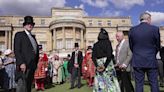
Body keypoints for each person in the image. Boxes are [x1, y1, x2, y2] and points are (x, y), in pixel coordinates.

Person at [129, 12, 160, 92]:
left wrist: (137, 53)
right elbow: (158, 45)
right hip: (151, 60)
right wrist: (152, 53)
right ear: (148, 19)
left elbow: (131, 46)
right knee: (154, 83)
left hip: (138, 60)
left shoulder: (132, 30)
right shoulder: (155, 29)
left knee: (138, 84)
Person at [14, 16, 39, 92]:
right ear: (24, 25)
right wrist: (21, 63)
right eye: (28, 24)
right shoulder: (19, 34)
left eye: (31, 24)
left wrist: (35, 64)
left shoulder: (33, 37)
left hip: (32, 66)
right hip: (23, 65)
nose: (30, 25)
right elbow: (17, 50)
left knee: (28, 87)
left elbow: (35, 51)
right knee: (22, 87)